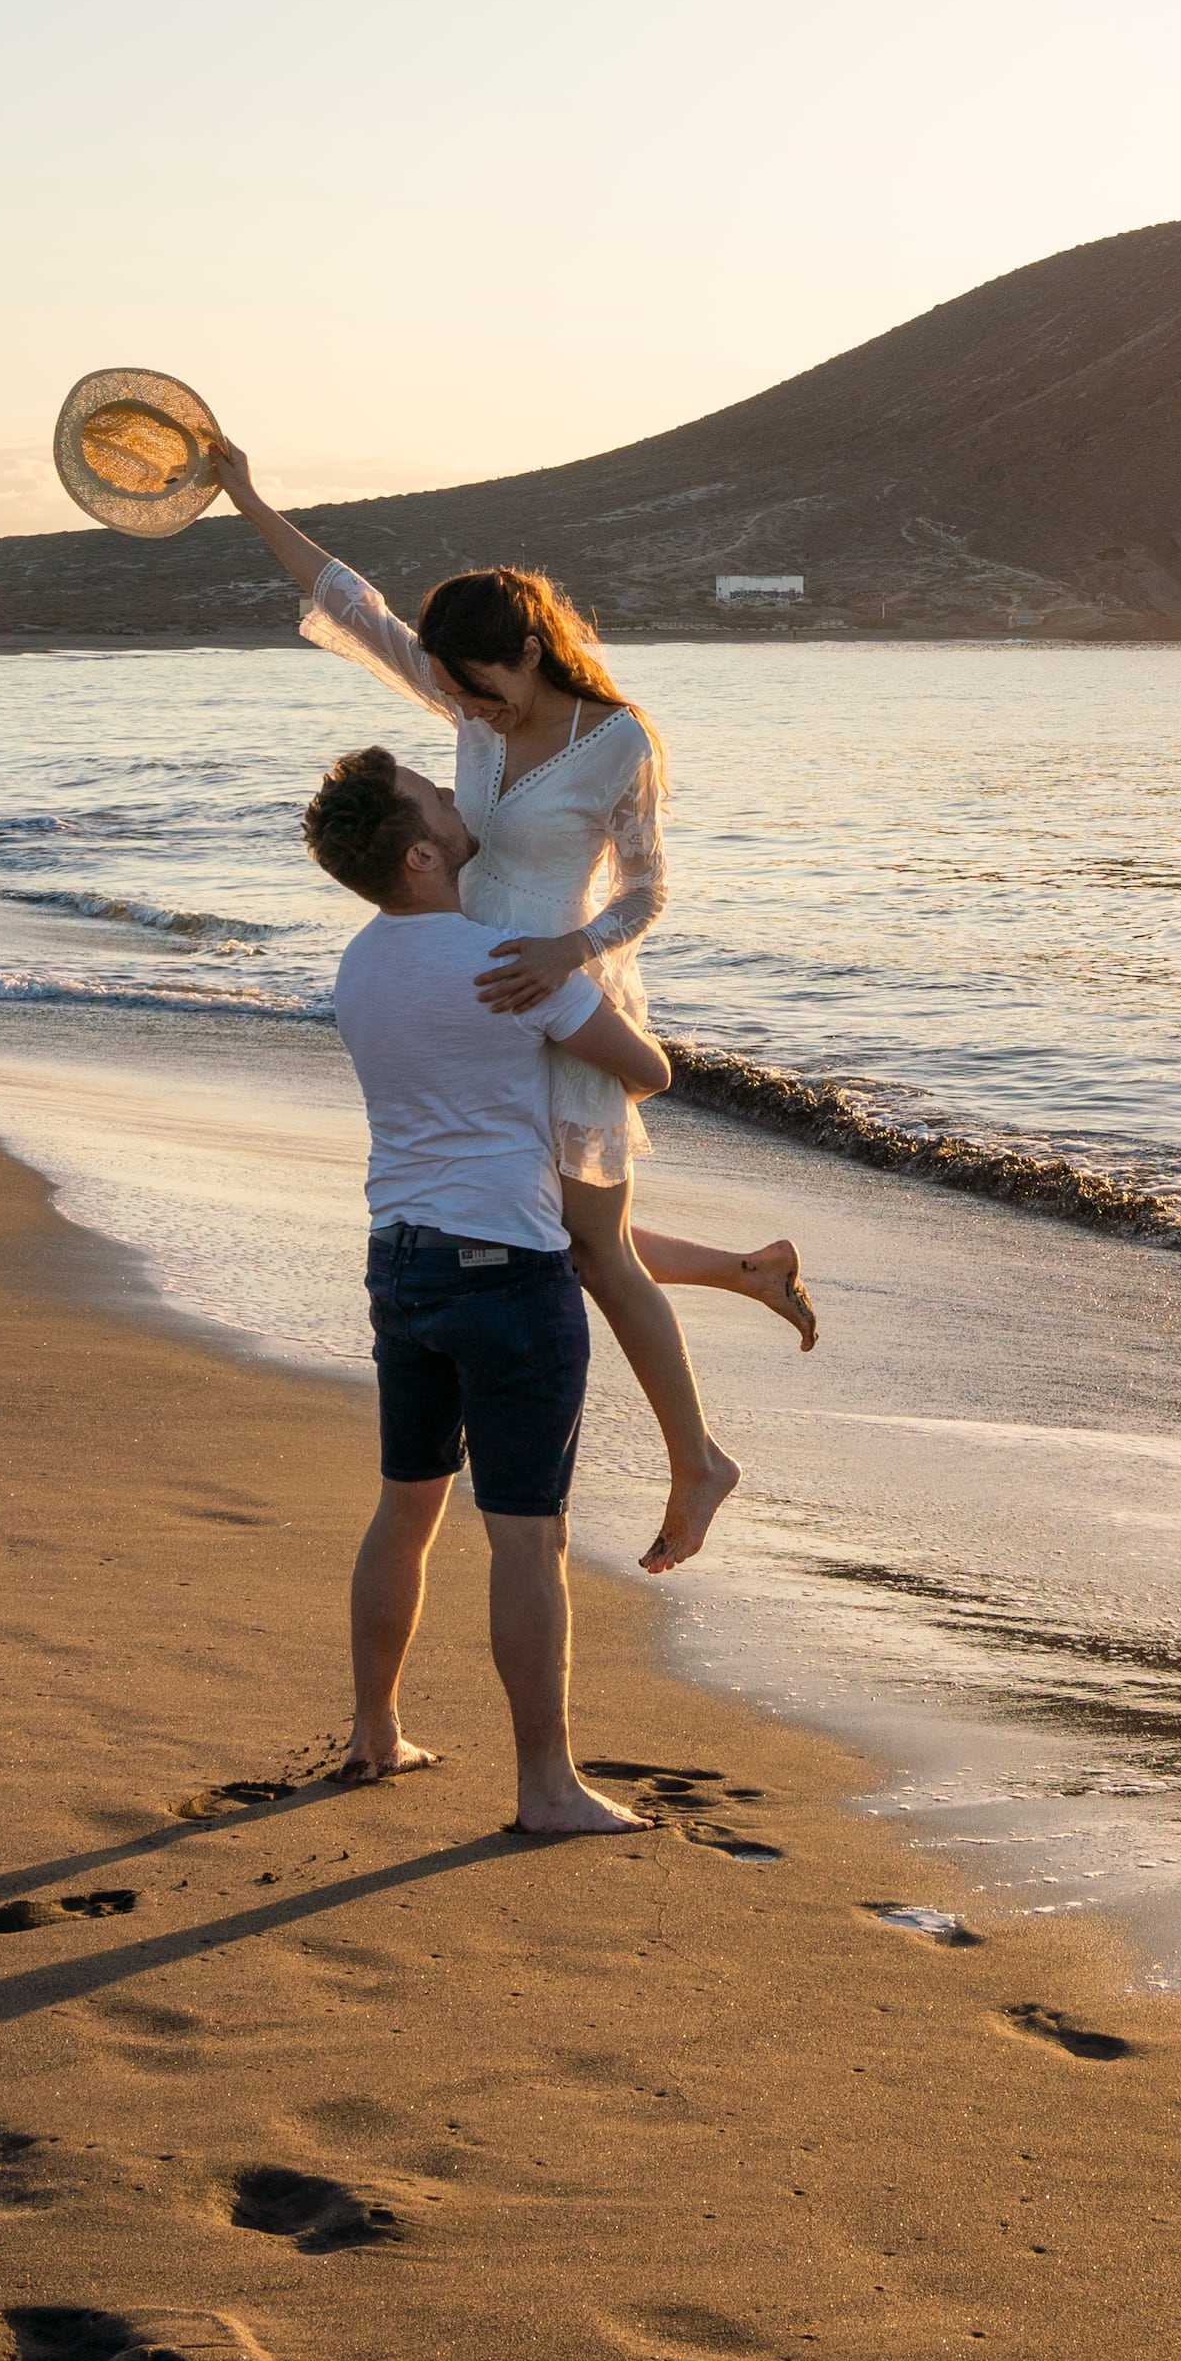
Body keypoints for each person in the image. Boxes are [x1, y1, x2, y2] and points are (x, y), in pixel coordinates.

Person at [209, 435, 820, 1353]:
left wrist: (568, 955)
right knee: (551, 1235)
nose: (472, 709)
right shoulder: (466, 700)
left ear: (530, 652)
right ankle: (750, 1271)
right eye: (456, 694)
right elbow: (352, 604)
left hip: (551, 986)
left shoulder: (620, 743)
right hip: (477, 988)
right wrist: (247, 499)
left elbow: (648, 893)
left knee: (596, 1253)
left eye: (483, 691)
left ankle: (699, 1462)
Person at [308, 741, 671, 1836]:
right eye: (435, 796)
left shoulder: (359, 963)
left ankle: (376, 1728)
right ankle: (546, 1786)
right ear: (422, 852)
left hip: (399, 1258)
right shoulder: (505, 961)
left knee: (407, 1506)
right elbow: (647, 1068)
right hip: (505, 1269)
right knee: (526, 1535)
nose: (456, 797)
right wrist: (577, 963)